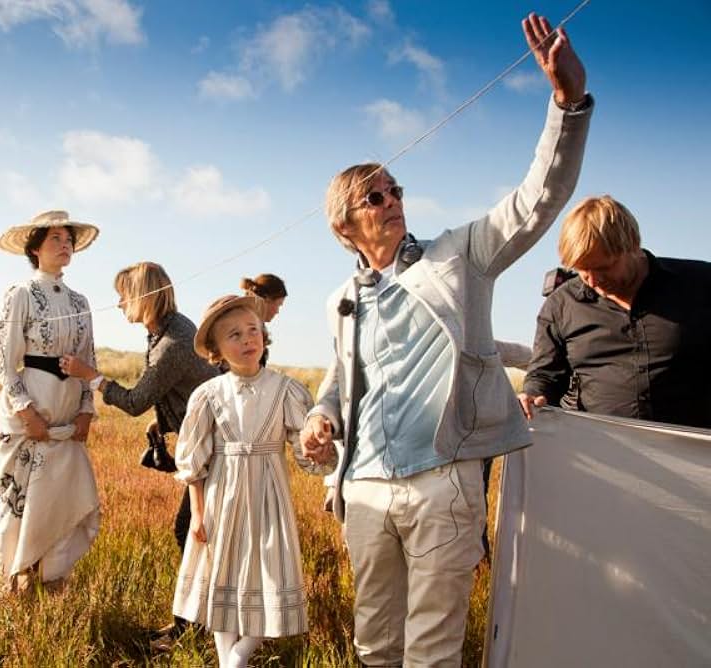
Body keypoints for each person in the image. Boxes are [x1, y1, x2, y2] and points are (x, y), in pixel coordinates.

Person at [299, 13, 592, 666]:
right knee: (374, 642)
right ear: (345, 225)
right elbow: (343, 380)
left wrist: (567, 108)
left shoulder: (460, 257)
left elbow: (533, 203)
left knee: (432, 647)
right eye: (375, 195)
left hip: (446, 481)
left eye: (395, 187)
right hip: (366, 487)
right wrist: (321, 416)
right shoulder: (339, 300)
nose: (393, 198)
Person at [173, 295, 333, 668]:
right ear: (216, 349)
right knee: (220, 572)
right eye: (234, 335)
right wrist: (197, 514)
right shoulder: (208, 395)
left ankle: (239, 656)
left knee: (270, 572)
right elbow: (193, 462)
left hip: (268, 495)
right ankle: (230, 660)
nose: (247, 340)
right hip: (221, 496)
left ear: (264, 335)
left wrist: (319, 452)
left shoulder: (286, 389)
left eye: (253, 331)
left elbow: (302, 446)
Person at [60, 261, 218, 640]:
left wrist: (90, 376)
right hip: (203, 442)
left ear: (143, 298)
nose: (118, 304)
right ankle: (192, 624)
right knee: (193, 532)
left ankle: (196, 627)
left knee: (191, 531)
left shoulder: (173, 342)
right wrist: (163, 422)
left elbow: (134, 401)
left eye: (123, 296)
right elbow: (179, 390)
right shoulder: (165, 331)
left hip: (216, 448)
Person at [519, 195, 711, 428]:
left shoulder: (700, 284)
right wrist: (532, 395)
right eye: (582, 270)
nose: (593, 280)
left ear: (632, 245)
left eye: (603, 268)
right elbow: (545, 376)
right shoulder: (561, 305)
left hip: (697, 454)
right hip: (604, 452)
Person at [0, 210, 102, 594]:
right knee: (20, 510)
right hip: (29, 421)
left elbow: (89, 359)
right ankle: (13, 591)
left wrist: (86, 411)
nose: (65, 244)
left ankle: (52, 585)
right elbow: (2, 359)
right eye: (55, 238)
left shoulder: (80, 301)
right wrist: (26, 412)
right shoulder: (20, 294)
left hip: (67, 424)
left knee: (59, 509)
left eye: (68, 238)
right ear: (35, 248)